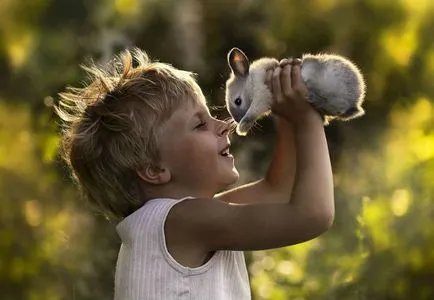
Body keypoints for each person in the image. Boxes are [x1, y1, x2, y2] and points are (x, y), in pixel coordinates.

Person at [55, 48, 334, 300]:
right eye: (199, 124)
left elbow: (278, 191)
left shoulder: (179, 221)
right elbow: (313, 216)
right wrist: (307, 119)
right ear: (154, 170)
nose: (223, 125)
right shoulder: (181, 223)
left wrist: (285, 112)